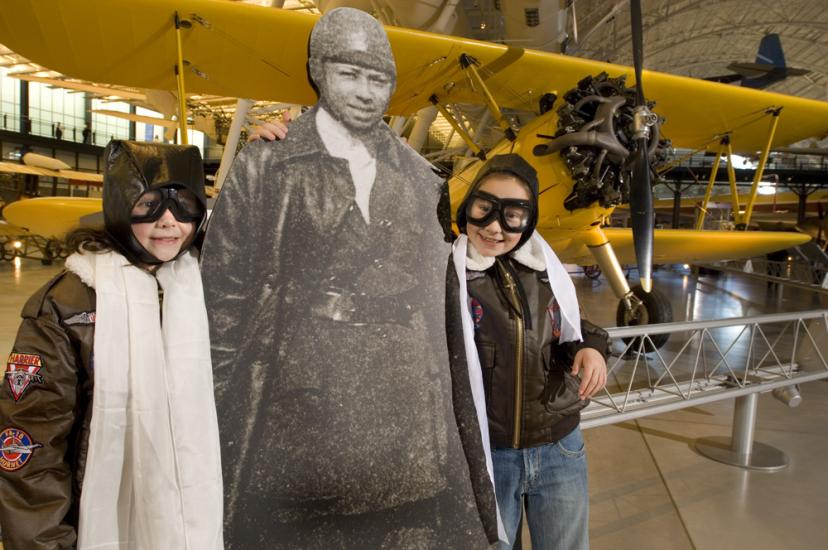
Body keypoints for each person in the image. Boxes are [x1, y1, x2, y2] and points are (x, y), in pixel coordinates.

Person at [201, 7, 496, 549]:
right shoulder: (268, 163)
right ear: (317, 71)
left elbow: (446, 293)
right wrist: (220, 407)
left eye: (378, 78)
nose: (365, 91)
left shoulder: (422, 178)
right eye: (349, 73)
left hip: (407, 414)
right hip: (303, 414)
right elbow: (224, 294)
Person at [0, 141, 223, 549]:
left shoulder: (211, 289)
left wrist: (271, 155)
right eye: (149, 205)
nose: (168, 222)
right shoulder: (68, 304)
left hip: (199, 525)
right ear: (120, 204)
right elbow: (30, 446)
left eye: (185, 205)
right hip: (101, 528)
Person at [452, 154, 609, 550]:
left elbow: (575, 327)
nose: (493, 226)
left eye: (513, 215)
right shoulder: (444, 274)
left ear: (529, 220)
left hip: (559, 447)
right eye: (483, 209)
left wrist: (593, 347)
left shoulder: (547, 271)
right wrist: (274, 154)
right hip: (488, 457)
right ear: (465, 206)